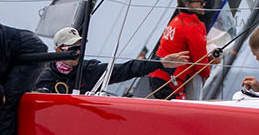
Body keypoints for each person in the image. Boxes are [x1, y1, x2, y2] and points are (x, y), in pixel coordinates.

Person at [36, 27, 185, 96]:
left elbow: (127, 69)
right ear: (58, 50)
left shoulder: (89, 71)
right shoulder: (42, 78)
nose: (78, 52)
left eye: (80, 47)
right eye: (73, 48)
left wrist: (159, 63)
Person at [146, 0, 213, 99]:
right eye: (199, 2)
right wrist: (206, 74)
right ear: (188, 4)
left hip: (156, 75)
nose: (203, 5)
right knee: (183, 114)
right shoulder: (193, 26)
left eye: (203, 2)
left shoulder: (176, 21)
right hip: (169, 79)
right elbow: (200, 62)